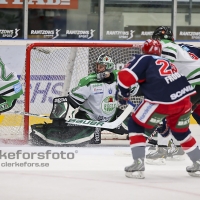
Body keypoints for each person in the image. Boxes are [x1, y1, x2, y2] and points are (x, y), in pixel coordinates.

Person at [116, 39, 200, 179]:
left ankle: (138, 162)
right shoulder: (167, 62)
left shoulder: (144, 58)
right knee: (181, 132)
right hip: (185, 99)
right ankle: (197, 161)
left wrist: (124, 94)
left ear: (143, 50)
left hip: (163, 100)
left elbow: (124, 76)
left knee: (135, 124)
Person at [30, 53, 133, 146]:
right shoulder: (89, 82)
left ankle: (150, 137)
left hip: (112, 118)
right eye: (97, 66)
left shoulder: (119, 77)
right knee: (74, 139)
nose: (98, 69)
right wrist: (61, 120)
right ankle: (40, 132)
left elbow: (134, 89)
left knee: (139, 124)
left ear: (109, 68)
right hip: (90, 120)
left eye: (101, 67)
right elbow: (71, 100)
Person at [145, 26, 200, 164]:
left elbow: (164, 67)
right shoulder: (182, 46)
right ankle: (179, 148)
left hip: (193, 82)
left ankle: (162, 149)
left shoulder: (164, 46)